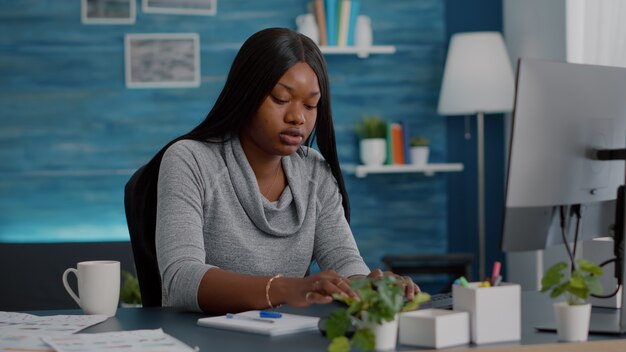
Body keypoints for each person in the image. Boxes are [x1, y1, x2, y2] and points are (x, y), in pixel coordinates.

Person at [138, 27, 418, 314]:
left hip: (285, 338)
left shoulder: (315, 170)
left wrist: (368, 287)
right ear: (245, 94)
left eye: (310, 105)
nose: (297, 117)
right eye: (281, 99)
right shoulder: (190, 159)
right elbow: (180, 278)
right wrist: (285, 288)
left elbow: (343, 259)